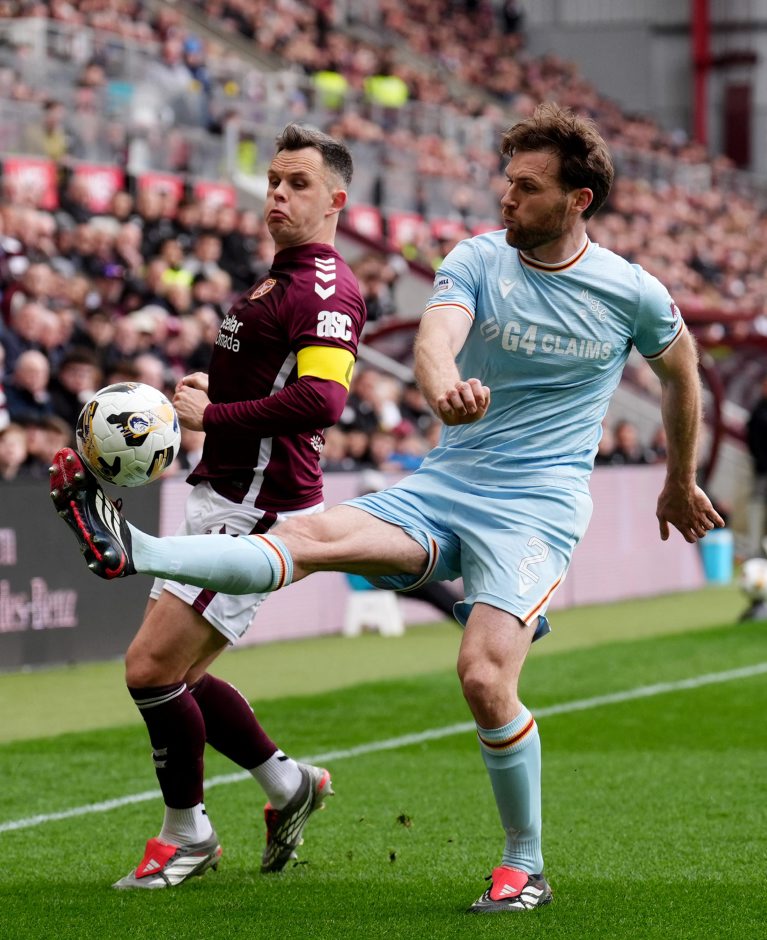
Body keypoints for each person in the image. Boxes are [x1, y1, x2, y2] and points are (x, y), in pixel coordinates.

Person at [50, 104, 724, 912]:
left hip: (535, 508)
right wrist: (443, 390)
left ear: (577, 200)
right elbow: (437, 340)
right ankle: (134, 549)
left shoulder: (630, 291)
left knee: (482, 676)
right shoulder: (478, 258)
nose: (506, 198)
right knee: (310, 534)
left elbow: (680, 371)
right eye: (507, 181)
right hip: (445, 484)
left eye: (527, 187)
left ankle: (524, 865)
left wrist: (678, 478)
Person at [52, 123, 365, 889]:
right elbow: (271, 379)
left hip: (255, 509)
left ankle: (187, 834)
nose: (278, 195)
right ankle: (290, 785)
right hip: (224, 492)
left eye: (297, 184)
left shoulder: (325, 288)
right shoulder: (277, 279)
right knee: (180, 676)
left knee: (149, 667)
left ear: (335, 200)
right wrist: (211, 392)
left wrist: (213, 417)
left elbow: (322, 400)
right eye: (274, 182)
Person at [745, 375, 767, 559]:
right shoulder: (758, 410)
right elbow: (751, 438)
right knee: (757, 507)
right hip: (761, 470)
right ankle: (754, 549)